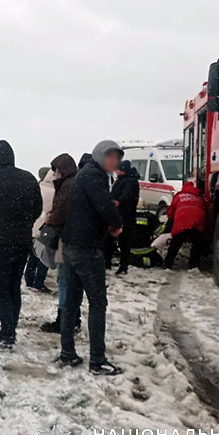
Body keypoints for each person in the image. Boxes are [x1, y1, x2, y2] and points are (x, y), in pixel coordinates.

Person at [58, 140, 125, 376]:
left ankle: (67, 353)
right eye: (110, 157)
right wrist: (116, 224)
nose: (114, 162)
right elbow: (104, 206)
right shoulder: (95, 176)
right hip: (87, 249)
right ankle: (97, 360)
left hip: (72, 246)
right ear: (99, 156)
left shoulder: (84, 175)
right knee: (97, 303)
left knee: (71, 303)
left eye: (117, 158)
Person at [0, 140, 43, 350]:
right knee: (13, 287)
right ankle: (9, 331)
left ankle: (7, 334)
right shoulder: (28, 178)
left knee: (1, 290)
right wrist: (25, 225)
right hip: (22, 242)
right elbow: (37, 208)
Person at [39, 153, 79, 334]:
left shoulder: (67, 187)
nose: (53, 175)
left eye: (55, 171)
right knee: (71, 282)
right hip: (75, 239)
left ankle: (64, 320)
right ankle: (72, 318)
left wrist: (50, 219)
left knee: (64, 280)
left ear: (62, 170)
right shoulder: (76, 183)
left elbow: (60, 213)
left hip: (67, 239)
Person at [24, 167, 55, 292]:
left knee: (33, 255)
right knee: (44, 257)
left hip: (33, 227)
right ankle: (38, 283)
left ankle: (29, 279)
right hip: (45, 228)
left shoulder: (36, 188)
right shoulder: (54, 191)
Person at [106, 160, 140, 274]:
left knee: (123, 242)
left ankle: (123, 266)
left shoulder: (131, 182)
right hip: (118, 215)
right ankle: (108, 263)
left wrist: (117, 202)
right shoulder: (121, 180)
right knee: (111, 239)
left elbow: (128, 196)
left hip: (126, 216)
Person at [164, 182, 207, 270]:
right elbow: (205, 209)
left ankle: (167, 264)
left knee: (175, 244)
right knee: (196, 245)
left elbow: (170, 212)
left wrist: (170, 223)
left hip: (181, 222)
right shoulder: (199, 196)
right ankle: (193, 266)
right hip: (197, 222)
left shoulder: (179, 196)